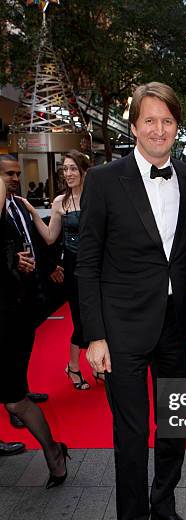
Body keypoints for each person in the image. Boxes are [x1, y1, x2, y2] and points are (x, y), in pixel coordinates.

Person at [77, 82, 186, 520]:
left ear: (176, 127)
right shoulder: (105, 179)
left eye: (167, 121)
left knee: (174, 427)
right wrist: (93, 335)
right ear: (133, 126)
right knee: (131, 435)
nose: (159, 129)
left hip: (174, 326)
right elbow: (87, 262)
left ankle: (164, 506)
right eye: (149, 120)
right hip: (122, 330)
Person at [0, 163, 69, 488]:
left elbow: (36, 242)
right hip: (15, 307)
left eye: (14, 174)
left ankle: (53, 451)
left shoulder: (14, 208)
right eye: (7, 174)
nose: (13, 179)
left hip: (11, 315)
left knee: (15, 399)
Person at [20, 151, 94, 390]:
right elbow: (51, 237)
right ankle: (73, 367)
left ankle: (97, 366)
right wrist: (32, 213)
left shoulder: (96, 198)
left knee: (100, 318)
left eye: (73, 168)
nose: (69, 173)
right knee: (82, 321)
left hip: (97, 267)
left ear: (84, 171)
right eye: (65, 169)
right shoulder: (60, 202)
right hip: (74, 269)